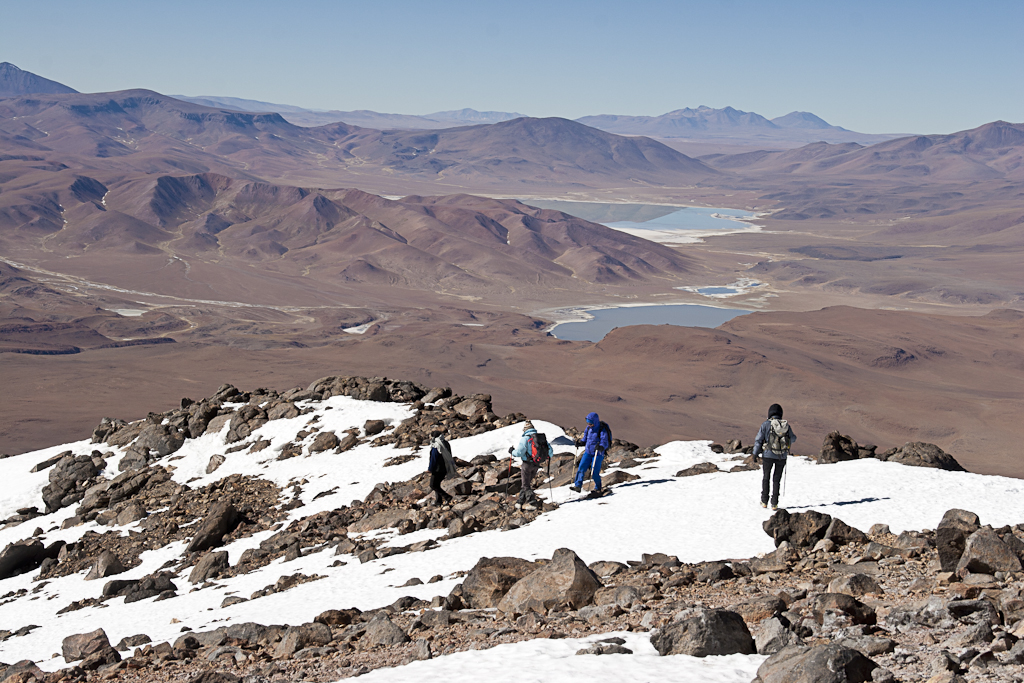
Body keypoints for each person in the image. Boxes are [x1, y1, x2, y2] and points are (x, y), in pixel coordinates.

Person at [752, 403, 796, 510]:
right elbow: (793, 438)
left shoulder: (766, 425)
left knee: (766, 477)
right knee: (777, 479)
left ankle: (764, 501)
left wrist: (755, 453)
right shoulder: (785, 425)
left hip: (768, 455)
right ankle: (774, 503)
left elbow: (758, 440)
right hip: (782, 457)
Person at [509, 421, 552, 511]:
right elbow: (550, 451)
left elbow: (519, 453)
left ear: (525, 430)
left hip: (527, 464)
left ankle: (532, 502)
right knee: (526, 483)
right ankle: (520, 501)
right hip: (536, 464)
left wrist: (512, 451)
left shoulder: (525, 439)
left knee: (525, 484)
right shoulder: (541, 438)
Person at [570, 412, 612, 494]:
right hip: (588, 452)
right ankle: (577, 486)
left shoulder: (601, 429)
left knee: (594, 471)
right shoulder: (588, 428)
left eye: (591, 423)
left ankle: (598, 487)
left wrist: (601, 447)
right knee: (581, 467)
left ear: (595, 422)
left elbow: (604, 441)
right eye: (588, 423)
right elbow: (585, 439)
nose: (589, 425)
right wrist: (580, 443)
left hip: (598, 454)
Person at [427, 429, 457, 507]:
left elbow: (434, 458)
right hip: (446, 467)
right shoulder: (445, 443)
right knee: (437, 484)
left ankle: (447, 497)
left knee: (433, 485)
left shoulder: (436, 445)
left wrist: (430, 469)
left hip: (437, 468)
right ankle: (438, 501)